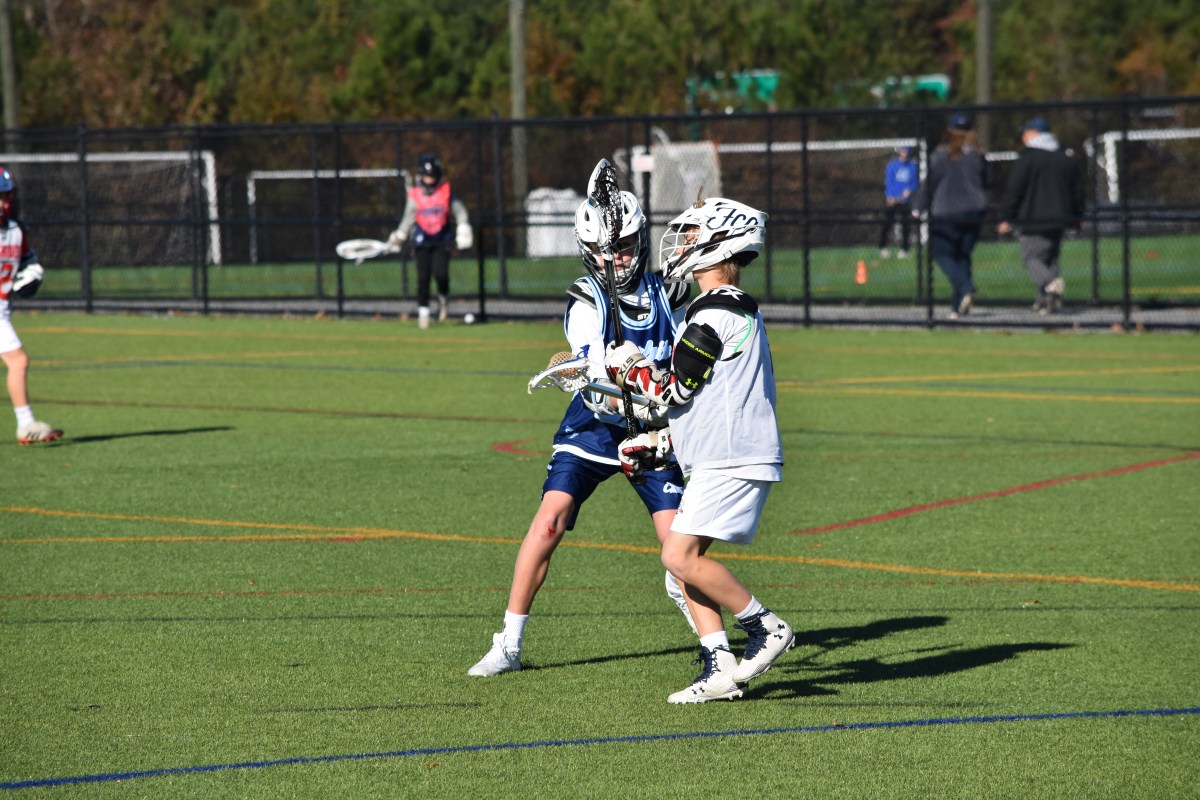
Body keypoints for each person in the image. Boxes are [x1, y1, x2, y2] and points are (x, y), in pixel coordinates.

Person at [468, 184, 695, 677]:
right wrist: (611, 380)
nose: (616, 258)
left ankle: (713, 646)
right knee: (549, 520)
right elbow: (592, 370)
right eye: (604, 250)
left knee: (678, 547)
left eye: (625, 246)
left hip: (654, 429)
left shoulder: (670, 293)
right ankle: (508, 643)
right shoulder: (586, 297)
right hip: (595, 424)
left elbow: (687, 363)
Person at [604, 197, 792, 704]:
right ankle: (721, 667)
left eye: (691, 235)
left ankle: (764, 626)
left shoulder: (716, 309)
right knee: (679, 571)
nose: (681, 244)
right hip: (724, 454)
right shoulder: (721, 307)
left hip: (733, 458)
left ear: (720, 244)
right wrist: (661, 442)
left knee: (678, 554)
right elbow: (709, 401)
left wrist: (629, 369)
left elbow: (674, 389)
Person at [997, 116, 1086, 315]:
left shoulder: (1027, 159)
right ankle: (1046, 301)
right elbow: (1078, 191)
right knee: (1050, 259)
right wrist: (1078, 215)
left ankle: (1049, 284)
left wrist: (1007, 216)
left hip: (1033, 218)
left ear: (1033, 133)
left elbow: (1014, 190)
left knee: (1031, 257)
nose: (1023, 137)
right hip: (1061, 218)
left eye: (1025, 133)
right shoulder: (1065, 158)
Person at [0, 166, 62, 445]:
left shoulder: (16, 230)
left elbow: (28, 261)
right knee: (19, 361)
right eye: (0, 196)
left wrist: (33, 272)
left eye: (6, 196)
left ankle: (26, 425)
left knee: (18, 361)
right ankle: (26, 425)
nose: (4, 202)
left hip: (3, 310)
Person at [911, 113, 992, 319]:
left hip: (946, 212)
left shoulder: (940, 155)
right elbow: (988, 181)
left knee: (941, 253)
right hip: (974, 211)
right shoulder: (978, 155)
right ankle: (957, 306)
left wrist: (918, 207)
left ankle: (965, 287)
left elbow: (929, 184)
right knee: (962, 255)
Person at [386, 153, 473, 329]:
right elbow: (408, 218)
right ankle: (423, 313)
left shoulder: (446, 191)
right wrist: (400, 235)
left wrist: (463, 227)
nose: (429, 179)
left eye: (432, 175)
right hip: (422, 241)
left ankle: (443, 298)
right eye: (427, 176)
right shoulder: (415, 194)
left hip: (441, 240)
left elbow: (460, 211)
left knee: (441, 274)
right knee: (423, 278)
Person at [879, 146, 919, 258]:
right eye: (902, 153)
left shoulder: (913, 167)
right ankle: (883, 247)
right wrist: (890, 197)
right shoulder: (892, 166)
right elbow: (889, 182)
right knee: (887, 223)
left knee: (905, 225)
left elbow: (915, 183)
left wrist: (909, 191)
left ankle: (905, 249)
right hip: (892, 200)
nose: (904, 155)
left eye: (906, 153)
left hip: (905, 201)